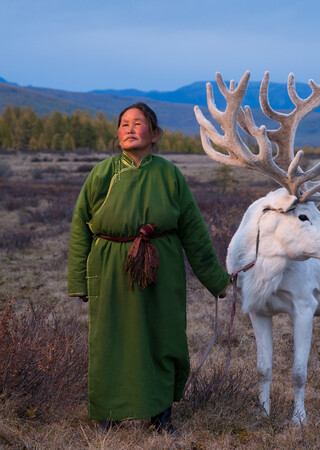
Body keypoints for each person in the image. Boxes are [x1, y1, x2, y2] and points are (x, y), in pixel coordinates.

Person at [68, 102, 229, 433]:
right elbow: (80, 228)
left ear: (154, 134)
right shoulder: (101, 174)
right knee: (111, 340)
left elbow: (195, 233)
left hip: (162, 269)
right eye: (124, 123)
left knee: (163, 337)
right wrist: (80, 282)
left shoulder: (170, 175)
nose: (129, 128)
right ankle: (107, 416)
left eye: (137, 123)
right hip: (112, 270)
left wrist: (217, 280)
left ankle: (161, 416)